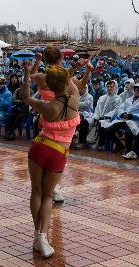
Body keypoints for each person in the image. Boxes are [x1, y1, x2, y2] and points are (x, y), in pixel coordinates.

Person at [23, 62, 80, 258]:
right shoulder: (74, 99)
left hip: (39, 147)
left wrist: (25, 74)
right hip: (58, 153)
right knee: (47, 196)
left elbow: (26, 97)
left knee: (36, 192)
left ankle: (38, 236)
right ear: (65, 83)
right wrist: (75, 68)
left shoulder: (46, 106)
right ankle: (42, 236)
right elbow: (71, 83)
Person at [102, 83, 139, 154]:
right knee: (108, 130)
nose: (136, 91)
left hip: (134, 122)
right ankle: (120, 145)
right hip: (124, 120)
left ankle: (129, 150)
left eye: (138, 90)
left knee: (128, 133)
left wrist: (133, 116)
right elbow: (121, 108)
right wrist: (122, 114)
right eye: (135, 90)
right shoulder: (128, 99)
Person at [91, 80, 122, 151]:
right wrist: (96, 116)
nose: (109, 88)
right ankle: (86, 141)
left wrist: (106, 116)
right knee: (87, 122)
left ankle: (102, 144)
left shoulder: (118, 99)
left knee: (102, 124)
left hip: (111, 119)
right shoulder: (102, 97)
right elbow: (97, 109)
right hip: (100, 118)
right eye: (108, 86)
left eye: (111, 87)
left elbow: (116, 110)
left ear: (115, 87)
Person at [74, 84, 94, 150]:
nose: (79, 90)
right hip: (77, 114)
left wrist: (76, 103)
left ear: (85, 88)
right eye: (78, 88)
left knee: (83, 122)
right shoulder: (77, 96)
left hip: (88, 115)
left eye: (81, 88)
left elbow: (85, 106)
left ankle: (82, 142)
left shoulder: (90, 97)